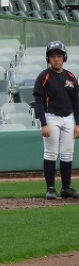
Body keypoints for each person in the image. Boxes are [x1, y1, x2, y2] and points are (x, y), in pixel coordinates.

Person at [33, 40, 79, 200]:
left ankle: (66, 188)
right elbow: (39, 102)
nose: (56, 59)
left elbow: (76, 102)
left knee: (67, 154)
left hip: (69, 117)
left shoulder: (71, 77)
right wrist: (43, 124)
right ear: (48, 58)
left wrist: (78, 123)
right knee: (51, 153)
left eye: (59, 55)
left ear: (64, 58)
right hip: (51, 116)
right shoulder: (43, 76)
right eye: (52, 56)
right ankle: (51, 188)